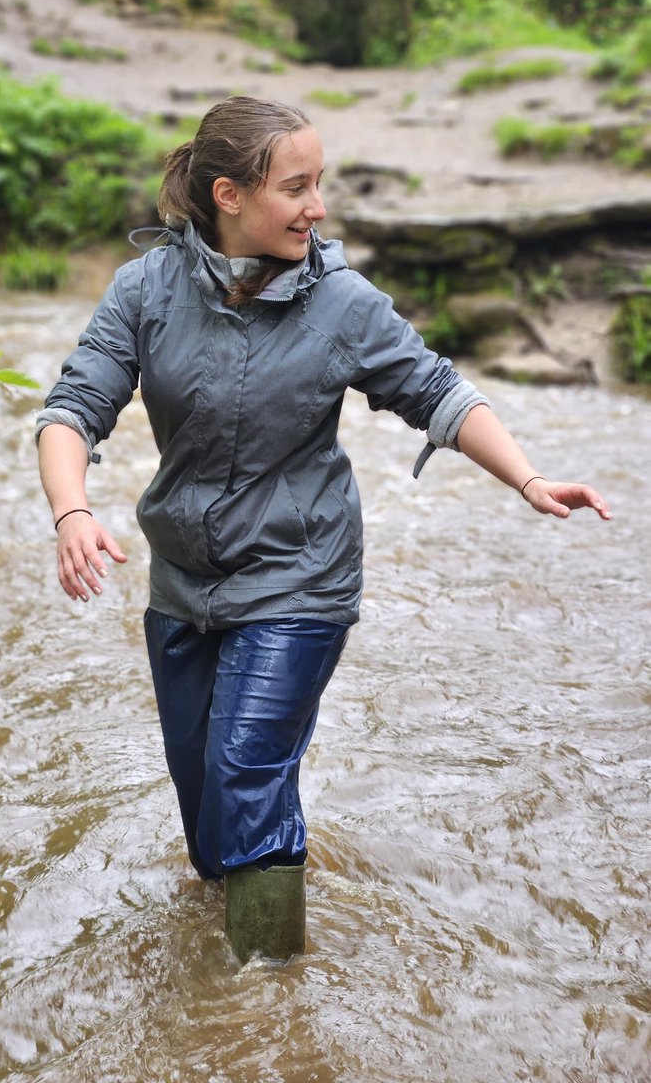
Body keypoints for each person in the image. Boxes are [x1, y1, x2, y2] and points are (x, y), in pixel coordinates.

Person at [35, 96, 611, 964]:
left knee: (246, 772)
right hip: (183, 584)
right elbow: (72, 409)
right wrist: (72, 511)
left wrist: (528, 478)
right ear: (229, 195)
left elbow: (440, 393)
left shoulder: (341, 302)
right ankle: (227, 970)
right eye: (297, 187)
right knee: (208, 819)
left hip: (300, 581)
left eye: (320, 183)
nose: (319, 206)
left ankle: (266, 995)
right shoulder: (146, 290)